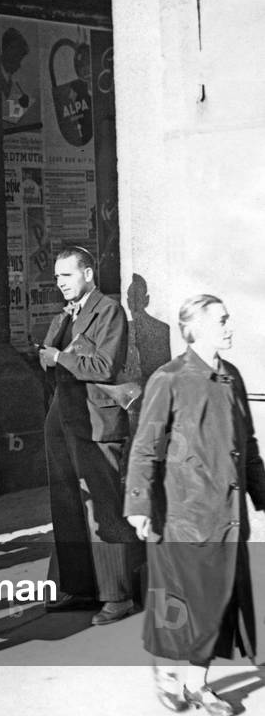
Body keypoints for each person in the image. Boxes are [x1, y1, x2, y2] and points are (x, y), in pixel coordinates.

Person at [125, 295, 265, 716]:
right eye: (221, 319)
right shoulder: (168, 378)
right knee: (182, 606)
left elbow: (250, 448)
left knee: (216, 604)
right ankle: (169, 675)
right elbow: (145, 447)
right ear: (195, 328)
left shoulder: (231, 377)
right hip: (182, 517)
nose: (228, 325)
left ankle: (196, 685)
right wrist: (139, 504)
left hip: (226, 517)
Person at [38, 246, 140, 625]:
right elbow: (48, 358)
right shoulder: (66, 316)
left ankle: (117, 595)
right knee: (66, 504)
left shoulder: (109, 311)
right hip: (63, 417)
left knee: (103, 507)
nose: (60, 283)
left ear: (89, 274)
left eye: (67, 275)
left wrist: (60, 357)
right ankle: (78, 588)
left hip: (97, 423)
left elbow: (104, 364)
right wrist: (54, 348)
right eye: (57, 277)